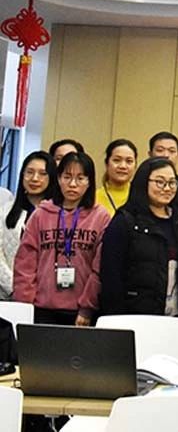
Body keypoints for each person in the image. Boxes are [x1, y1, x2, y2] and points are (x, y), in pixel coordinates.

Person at [13, 152, 111, 325]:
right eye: (67, 177)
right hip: (40, 309)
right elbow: (25, 265)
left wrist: (87, 308)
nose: (72, 184)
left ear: (89, 182)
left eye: (80, 178)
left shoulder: (100, 217)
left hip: (81, 312)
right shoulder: (41, 214)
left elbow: (99, 268)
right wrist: (24, 306)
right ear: (58, 179)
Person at [99, 157, 178, 317]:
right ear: (143, 182)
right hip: (133, 315)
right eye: (160, 182)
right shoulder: (125, 221)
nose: (167, 188)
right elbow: (111, 275)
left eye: (172, 183)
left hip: (175, 316)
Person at [0, 151, 56, 300]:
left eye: (42, 174)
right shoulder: (4, 211)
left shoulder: (58, 214)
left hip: (47, 297)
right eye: (29, 172)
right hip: (8, 295)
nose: (35, 178)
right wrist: (17, 288)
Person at [149, 131, 178, 208]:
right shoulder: (140, 184)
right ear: (150, 154)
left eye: (172, 151)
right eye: (160, 150)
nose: (166, 155)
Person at [96, 139, 138, 216]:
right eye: (117, 160)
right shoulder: (95, 198)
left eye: (129, 161)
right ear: (106, 163)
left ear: (135, 165)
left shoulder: (141, 197)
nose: (123, 166)